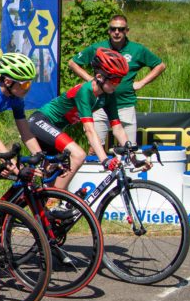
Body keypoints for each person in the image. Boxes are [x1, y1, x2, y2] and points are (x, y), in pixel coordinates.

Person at [29, 48, 134, 193]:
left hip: (55, 129)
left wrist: (134, 157)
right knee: (78, 155)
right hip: (41, 121)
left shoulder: (108, 95)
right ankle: (52, 204)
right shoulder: (85, 91)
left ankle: (39, 209)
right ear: (100, 77)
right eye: (115, 80)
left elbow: (117, 128)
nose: (118, 84)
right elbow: (89, 130)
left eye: (120, 80)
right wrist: (104, 160)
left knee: (52, 178)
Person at [68, 14, 166, 147]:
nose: (117, 32)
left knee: (129, 147)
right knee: (95, 147)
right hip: (100, 105)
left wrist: (141, 83)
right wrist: (90, 79)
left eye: (121, 29)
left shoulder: (137, 49)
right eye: (113, 29)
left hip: (125, 104)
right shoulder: (98, 48)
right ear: (109, 31)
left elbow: (160, 65)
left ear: (127, 30)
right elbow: (73, 63)